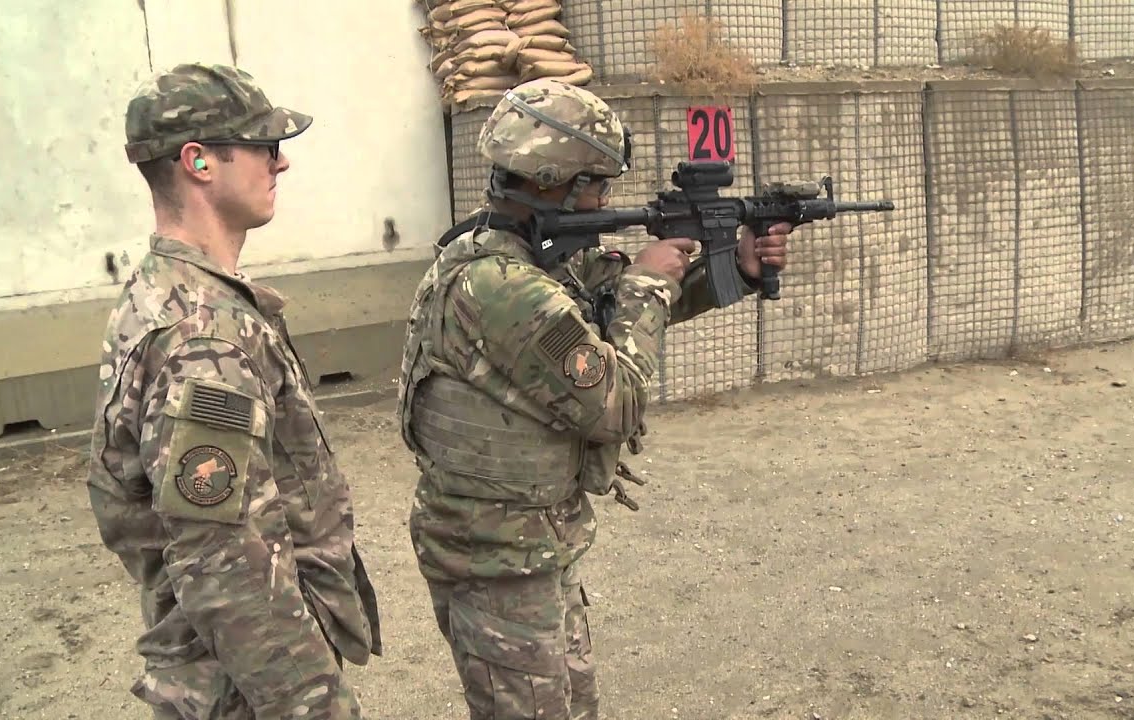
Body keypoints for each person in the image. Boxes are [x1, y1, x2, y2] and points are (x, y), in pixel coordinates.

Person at [397, 78, 793, 719]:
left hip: (529, 544)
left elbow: (610, 300)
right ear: (555, 182)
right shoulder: (503, 287)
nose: (607, 199)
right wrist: (647, 286)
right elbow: (616, 404)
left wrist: (735, 268)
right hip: (497, 561)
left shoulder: (522, 258)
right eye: (598, 184)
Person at [85, 62, 382, 719]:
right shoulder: (205, 336)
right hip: (244, 686)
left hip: (219, 670)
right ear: (199, 162)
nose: (281, 165)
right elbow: (225, 560)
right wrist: (311, 705)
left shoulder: (162, 292)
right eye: (265, 147)